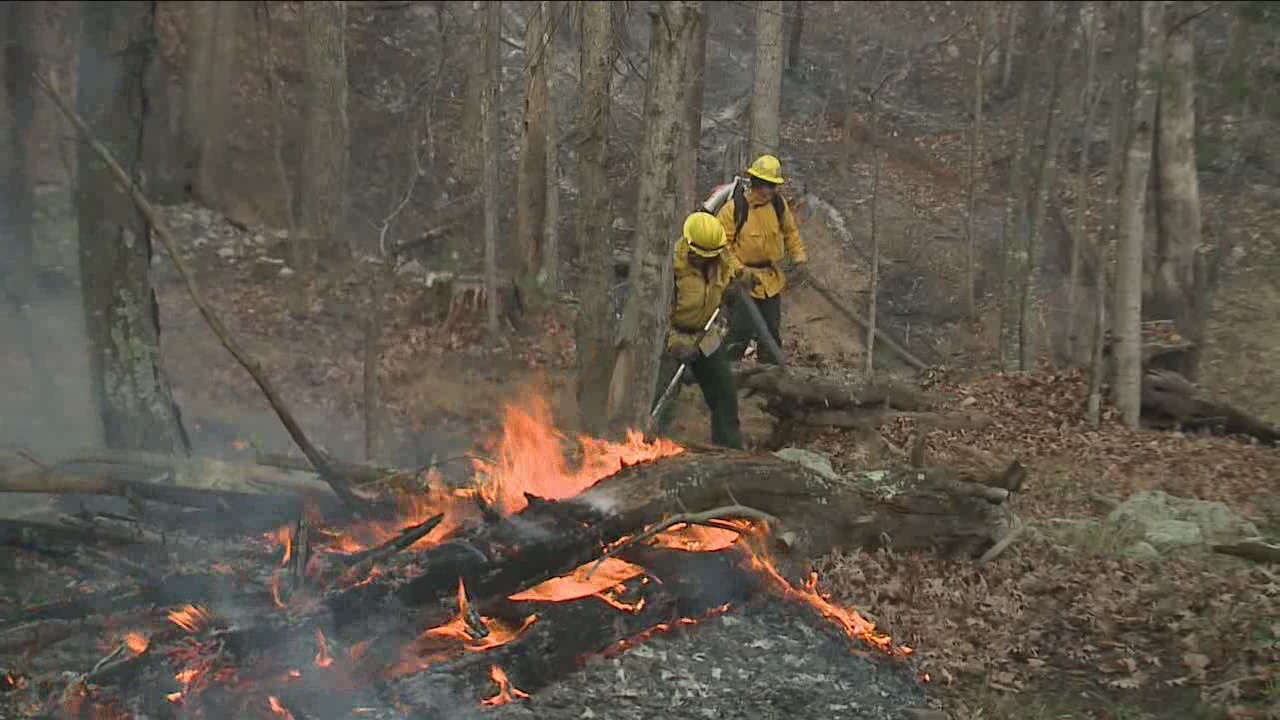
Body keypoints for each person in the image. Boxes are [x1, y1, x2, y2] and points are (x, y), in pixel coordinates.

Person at [651, 212, 751, 450]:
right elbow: (656, 317)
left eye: (711, 256)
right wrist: (675, 344)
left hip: (706, 336)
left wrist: (739, 285)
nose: (706, 261)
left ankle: (729, 449)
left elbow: (734, 273)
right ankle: (649, 447)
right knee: (662, 398)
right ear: (689, 245)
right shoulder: (670, 269)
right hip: (674, 338)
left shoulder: (720, 257)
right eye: (700, 256)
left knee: (724, 391)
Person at [716, 154, 807, 365]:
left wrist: (799, 258)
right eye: (765, 185)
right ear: (755, 182)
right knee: (740, 332)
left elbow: (791, 233)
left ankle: (772, 378)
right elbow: (721, 247)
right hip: (742, 282)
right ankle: (727, 375)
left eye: (773, 185)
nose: (769, 190)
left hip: (771, 280)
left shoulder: (778, 205)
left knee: (771, 333)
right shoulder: (734, 210)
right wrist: (740, 272)